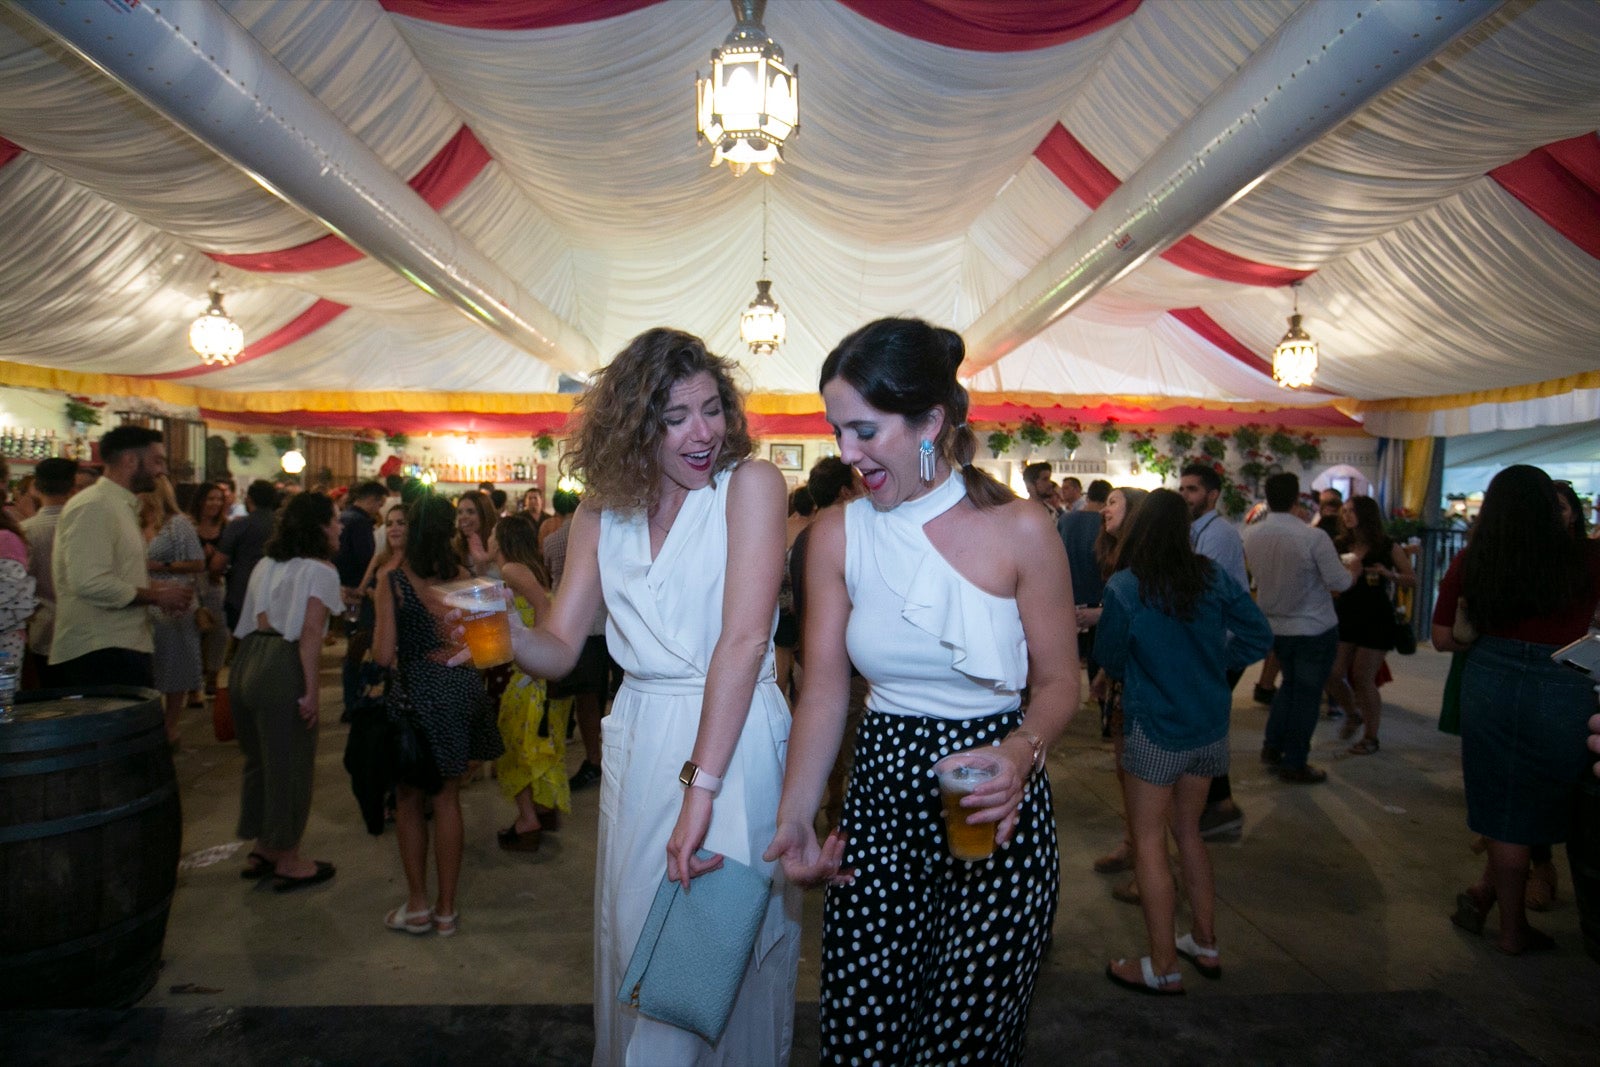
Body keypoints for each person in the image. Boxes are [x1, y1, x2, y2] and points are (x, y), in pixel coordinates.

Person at [766, 318, 1076, 1065]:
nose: (847, 453)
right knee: (862, 1036)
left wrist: (1020, 750)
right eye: (838, 430)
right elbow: (824, 693)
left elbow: (1063, 682)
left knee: (964, 1046)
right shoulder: (837, 537)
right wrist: (797, 815)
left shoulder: (1023, 529)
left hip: (994, 810)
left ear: (932, 421)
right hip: (878, 807)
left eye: (865, 430)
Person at [490, 328, 799, 1063]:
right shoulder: (600, 511)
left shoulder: (750, 486)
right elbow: (561, 646)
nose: (704, 431)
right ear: (635, 425)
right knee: (641, 934)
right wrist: (504, 631)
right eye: (677, 416)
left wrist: (701, 787)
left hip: (731, 735)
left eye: (712, 407)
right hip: (640, 729)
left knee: (717, 945)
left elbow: (744, 641)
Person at [1094, 489, 1272, 994]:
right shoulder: (1211, 577)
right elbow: (1258, 636)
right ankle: (1206, 942)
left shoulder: (1127, 587)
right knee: (1189, 834)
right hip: (1208, 727)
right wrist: (1214, 659)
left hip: (1154, 727)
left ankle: (1163, 966)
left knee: (1149, 841)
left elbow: (1110, 654)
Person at [1433, 465, 1600, 955]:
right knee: (1553, 797)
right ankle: (1517, 911)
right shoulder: (1588, 557)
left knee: (1505, 809)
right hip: (1564, 683)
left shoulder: (1473, 559)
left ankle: (1509, 926)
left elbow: (1443, 637)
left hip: (1490, 679)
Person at [373, 493, 502, 937]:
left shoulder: (392, 580)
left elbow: (384, 651)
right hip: (461, 692)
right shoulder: (466, 576)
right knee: (448, 799)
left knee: (410, 801)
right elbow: (491, 647)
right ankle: (447, 910)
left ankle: (418, 905)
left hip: (415, 695)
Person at [230, 491, 343, 891]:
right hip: (283, 662)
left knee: (259, 760)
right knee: (291, 764)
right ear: (318, 527)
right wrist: (312, 690)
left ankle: (262, 845)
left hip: (248, 656)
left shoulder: (266, 563)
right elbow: (310, 634)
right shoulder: (321, 570)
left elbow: (252, 618)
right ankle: (289, 857)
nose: (340, 526)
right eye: (334, 519)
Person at [50, 425, 192, 689]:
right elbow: (89, 582)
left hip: (118, 645)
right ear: (129, 460)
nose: (163, 471)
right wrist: (156, 596)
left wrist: (158, 589)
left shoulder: (120, 506)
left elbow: (112, 575)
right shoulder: (94, 506)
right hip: (98, 651)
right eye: (157, 461)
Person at [1242, 472, 1357, 784]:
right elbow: (1339, 582)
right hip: (1312, 627)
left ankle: (1272, 746)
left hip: (1276, 625)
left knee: (1290, 687)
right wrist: (1354, 569)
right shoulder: (1312, 537)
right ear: (1297, 498)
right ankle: (1294, 761)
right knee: (1305, 696)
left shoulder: (1252, 535)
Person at [1178, 463, 1255, 839]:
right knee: (1207, 723)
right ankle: (1217, 804)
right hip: (1210, 643)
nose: (1186, 495)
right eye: (1183, 488)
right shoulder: (1196, 531)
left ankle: (1220, 806)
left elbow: (1206, 592)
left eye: (1193, 490)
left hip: (1220, 644)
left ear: (1212, 495)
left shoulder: (1219, 534)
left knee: (1208, 724)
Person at [489, 512, 569, 851]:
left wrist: (535, 654)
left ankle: (527, 819)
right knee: (536, 745)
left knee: (514, 748)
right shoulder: (527, 568)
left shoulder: (511, 570)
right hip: (532, 672)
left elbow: (542, 604)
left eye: (493, 532)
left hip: (523, 675)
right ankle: (541, 808)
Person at [1328, 495, 1416, 755]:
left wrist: (1389, 575)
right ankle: (1352, 714)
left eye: (1351, 511)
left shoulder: (1386, 546)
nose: (1346, 516)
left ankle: (1371, 736)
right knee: (1332, 673)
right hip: (1345, 614)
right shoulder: (1340, 544)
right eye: (1343, 512)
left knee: (1363, 677)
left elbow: (1412, 579)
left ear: (1366, 514)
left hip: (1376, 617)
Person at [541, 488, 609, 791]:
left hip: (579, 627)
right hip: (609, 625)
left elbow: (552, 582)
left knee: (586, 698)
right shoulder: (606, 531)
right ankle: (603, 757)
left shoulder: (552, 541)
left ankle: (594, 757)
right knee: (608, 695)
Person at [141, 475, 205, 744]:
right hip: (143, 598)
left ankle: (170, 725)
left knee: (175, 661)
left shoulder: (177, 524)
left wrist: (162, 567)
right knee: (153, 663)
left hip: (173, 601)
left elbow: (197, 562)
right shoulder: (134, 522)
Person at [20, 458, 76, 685]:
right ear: (73, 488)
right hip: (82, 628)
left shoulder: (25, 531)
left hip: (42, 628)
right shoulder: (82, 525)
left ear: (36, 488)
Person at [335, 481, 387, 714]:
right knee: (361, 644)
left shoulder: (343, 518)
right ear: (372, 499)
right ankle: (354, 700)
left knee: (354, 640)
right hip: (361, 594)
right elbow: (368, 558)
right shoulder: (360, 523)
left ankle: (352, 699)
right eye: (379, 504)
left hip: (348, 591)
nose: (379, 509)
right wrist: (365, 587)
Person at [214, 480, 279, 632]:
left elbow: (218, 563)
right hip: (276, 591)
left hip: (241, 591)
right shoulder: (282, 526)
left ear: (249, 499)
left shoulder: (239, 525)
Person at [187, 481, 230, 699]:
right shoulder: (188, 525)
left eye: (218, 499)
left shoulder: (225, 527)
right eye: (210, 498)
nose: (214, 503)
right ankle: (194, 684)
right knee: (192, 631)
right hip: (191, 581)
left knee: (219, 630)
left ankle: (213, 674)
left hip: (215, 582)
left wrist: (217, 562)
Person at [454, 489, 496, 575]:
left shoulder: (499, 546)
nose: (463, 517)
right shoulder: (456, 548)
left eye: (471, 512)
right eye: (460, 512)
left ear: (485, 515)